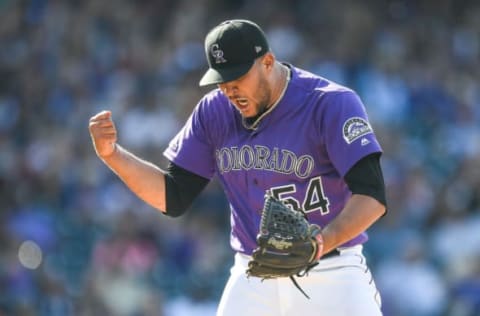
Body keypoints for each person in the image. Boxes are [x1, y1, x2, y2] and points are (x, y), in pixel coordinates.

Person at [89, 19, 387, 316]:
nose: (230, 91)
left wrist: (317, 244)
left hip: (330, 269)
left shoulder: (330, 104)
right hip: (253, 274)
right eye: (222, 82)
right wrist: (113, 155)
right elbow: (172, 196)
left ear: (268, 62)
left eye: (238, 79)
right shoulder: (214, 111)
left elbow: (372, 197)